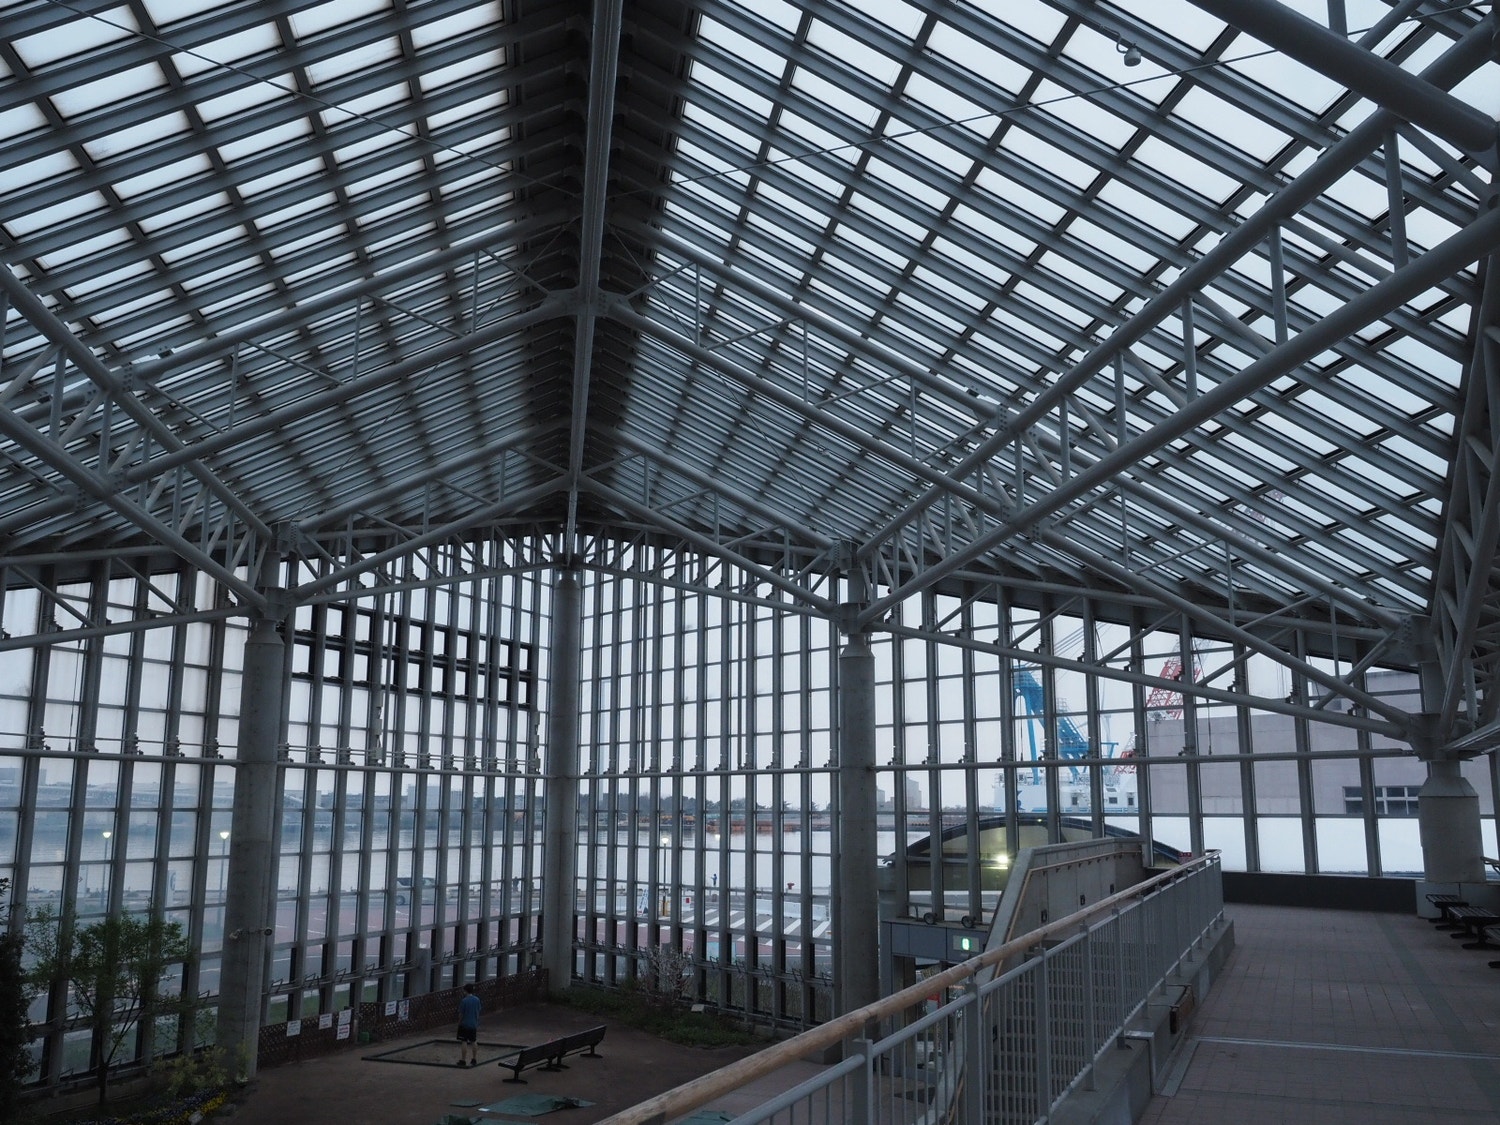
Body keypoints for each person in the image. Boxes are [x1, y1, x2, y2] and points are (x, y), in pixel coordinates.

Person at [456, 983, 480, 1066]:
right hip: (473, 1023)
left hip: (465, 1024)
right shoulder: (477, 1000)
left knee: (464, 1041)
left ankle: (463, 1060)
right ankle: (474, 1059)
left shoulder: (464, 1001)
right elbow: (478, 1011)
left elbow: (461, 1014)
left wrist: (459, 1023)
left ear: (465, 991)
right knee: (474, 1041)